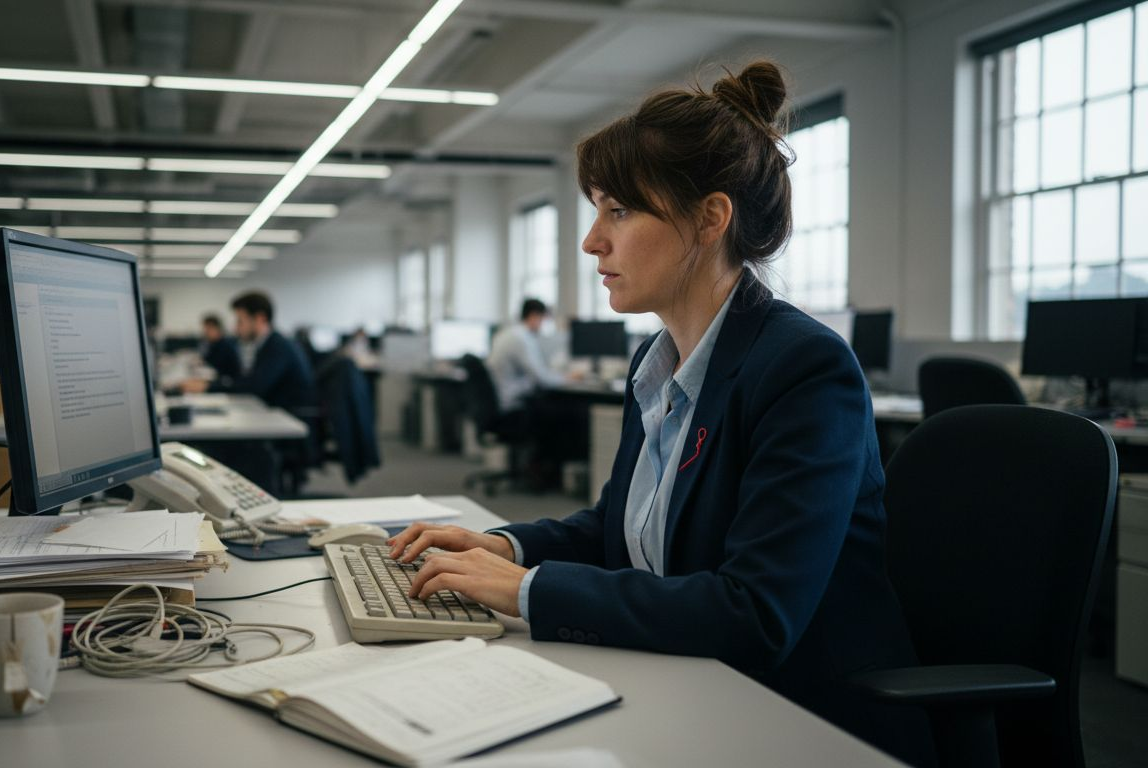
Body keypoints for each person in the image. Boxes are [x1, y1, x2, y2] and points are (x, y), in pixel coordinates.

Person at [388, 62, 932, 765]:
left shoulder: (803, 369)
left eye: (619, 210)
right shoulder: (661, 360)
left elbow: (755, 613)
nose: (592, 241)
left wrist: (530, 591)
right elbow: (620, 531)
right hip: (690, 686)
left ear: (710, 218)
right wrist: (507, 548)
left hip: (796, 719)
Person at [182, 291, 315, 416]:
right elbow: (248, 381)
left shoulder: (278, 347)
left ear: (260, 318)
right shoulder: (266, 344)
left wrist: (208, 387)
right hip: (275, 416)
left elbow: (253, 388)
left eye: (240, 321)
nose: (236, 328)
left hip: (291, 424)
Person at [485, 298, 569, 412]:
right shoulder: (521, 339)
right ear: (534, 316)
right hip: (512, 403)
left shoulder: (509, 333)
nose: (543, 325)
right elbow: (542, 378)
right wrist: (567, 378)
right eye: (543, 319)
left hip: (500, 398)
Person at [198, 314, 241, 381]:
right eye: (205, 329)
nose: (206, 332)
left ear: (218, 329)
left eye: (209, 329)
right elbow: (208, 360)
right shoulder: (213, 345)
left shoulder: (225, 347)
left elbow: (217, 370)